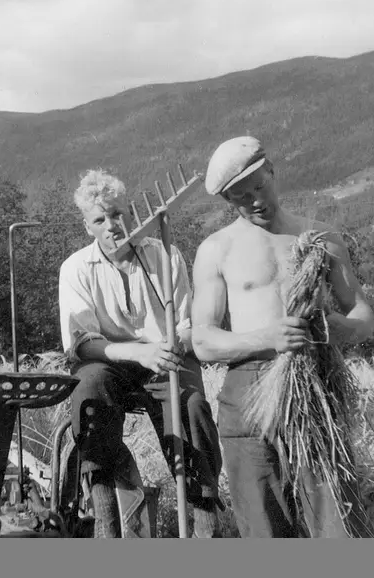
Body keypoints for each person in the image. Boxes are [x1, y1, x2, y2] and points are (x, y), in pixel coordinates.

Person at [190, 136, 374, 538]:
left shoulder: (322, 238)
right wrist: (266, 338)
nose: (255, 200)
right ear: (227, 202)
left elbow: (363, 316)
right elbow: (203, 340)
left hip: (314, 387)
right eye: (240, 197)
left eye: (259, 186)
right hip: (247, 393)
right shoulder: (216, 249)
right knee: (264, 529)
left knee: (335, 523)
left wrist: (334, 329)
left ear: (272, 171)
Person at [59, 169, 223, 538]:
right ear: (88, 226)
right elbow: (82, 341)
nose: (111, 225)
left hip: (164, 359)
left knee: (191, 405)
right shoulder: (76, 269)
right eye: (100, 219)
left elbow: (184, 321)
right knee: (88, 390)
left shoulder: (165, 255)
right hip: (110, 361)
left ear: (130, 213)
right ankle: (103, 508)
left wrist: (172, 344)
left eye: (117, 214)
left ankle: (204, 514)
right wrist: (137, 352)